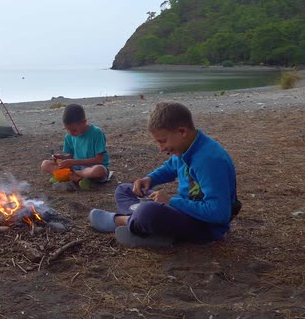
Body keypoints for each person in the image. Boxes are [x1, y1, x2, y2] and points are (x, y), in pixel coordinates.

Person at [89, 102, 240, 247]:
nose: (161, 148)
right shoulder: (186, 147)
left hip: (204, 227)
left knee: (148, 212)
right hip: (183, 211)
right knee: (124, 190)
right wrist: (150, 179)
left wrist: (171, 202)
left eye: (162, 141)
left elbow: (219, 213)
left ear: (182, 132)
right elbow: (170, 167)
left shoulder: (209, 161)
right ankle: (148, 228)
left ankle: (122, 220)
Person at [41, 104, 110, 191]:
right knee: (45, 164)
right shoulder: (69, 136)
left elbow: (98, 160)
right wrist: (61, 157)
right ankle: (76, 178)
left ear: (84, 122)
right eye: (67, 130)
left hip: (91, 167)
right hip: (75, 166)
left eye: (74, 130)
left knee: (99, 170)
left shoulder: (96, 133)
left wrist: (74, 162)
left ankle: (72, 176)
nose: (71, 133)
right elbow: (71, 156)